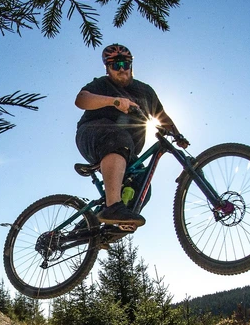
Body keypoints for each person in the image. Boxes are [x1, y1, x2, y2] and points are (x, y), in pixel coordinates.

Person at [75, 43, 188, 226]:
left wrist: (177, 134)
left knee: (143, 183)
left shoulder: (145, 91)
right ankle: (113, 208)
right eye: (115, 66)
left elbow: (161, 116)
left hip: (126, 152)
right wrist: (115, 101)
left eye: (125, 65)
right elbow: (81, 99)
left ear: (131, 66)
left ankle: (105, 230)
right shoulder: (102, 84)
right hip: (93, 134)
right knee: (118, 138)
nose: (121, 70)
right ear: (107, 69)